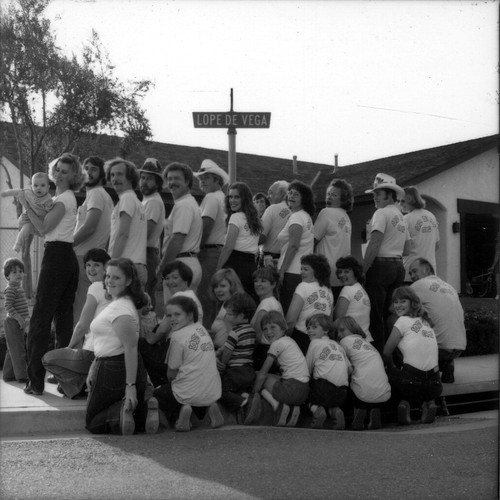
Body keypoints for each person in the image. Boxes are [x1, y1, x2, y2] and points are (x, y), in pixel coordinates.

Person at [22, 154, 82, 396]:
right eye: (57, 169)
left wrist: (26, 205)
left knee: (40, 320)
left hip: (57, 258)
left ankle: (35, 382)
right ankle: (64, 380)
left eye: (65, 171)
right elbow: (47, 231)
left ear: (75, 176)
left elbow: (44, 227)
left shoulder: (63, 199)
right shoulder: (60, 198)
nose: (59, 174)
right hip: (65, 255)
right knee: (64, 320)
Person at [86, 257, 158, 435]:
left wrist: (130, 386)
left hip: (113, 369)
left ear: (129, 281)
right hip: (115, 366)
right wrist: (93, 365)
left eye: (116, 277)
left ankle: (122, 414)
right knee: (131, 417)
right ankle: (142, 411)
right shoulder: (123, 304)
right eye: (108, 276)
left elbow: (131, 348)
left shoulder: (121, 309)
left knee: (93, 422)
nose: (109, 281)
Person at [42, 249, 111, 398]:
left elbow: (82, 326)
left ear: (106, 268)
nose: (91, 269)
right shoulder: (114, 289)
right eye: (88, 265)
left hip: (92, 354)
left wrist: (69, 348)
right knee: (62, 383)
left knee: (47, 359)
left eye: (96, 265)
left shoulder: (96, 287)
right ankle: (85, 383)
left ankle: (81, 386)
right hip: (110, 355)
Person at [153, 295, 223, 432]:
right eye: (168, 315)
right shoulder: (202, 330)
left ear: (190, 315)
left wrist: (168, 382)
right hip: (212, 390)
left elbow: (172, 371)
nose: (172, 319)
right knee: (192, 390)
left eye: (177, 314)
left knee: (161, 394)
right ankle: (209, 409)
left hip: (188, 392)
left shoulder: (177, 336)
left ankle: (182, 417)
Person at [363, 173, 409, 353]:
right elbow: (407, 249)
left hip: (381, 267)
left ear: (389, 195)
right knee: (392, 314)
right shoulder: (401, 216)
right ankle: (396, 355)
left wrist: (363, 270)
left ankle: (379, 357)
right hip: (398, 266)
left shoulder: (381, 213)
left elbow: (374, 243)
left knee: (376, 315)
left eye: (378, 193)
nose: (374, 197)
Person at [383, 287, 442, 425]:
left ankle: (405, 404)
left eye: (403, 301)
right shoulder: (426, 322)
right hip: (435, 384)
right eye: (395, 302)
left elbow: (386, 352)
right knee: (417, 378)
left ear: (413, 303)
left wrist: (391, 368)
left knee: (388, 374)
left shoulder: (402, 321)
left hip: (411, 383)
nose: (398, 305)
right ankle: (427, 403)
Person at [141, 260, 203, 387]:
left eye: (175, 277)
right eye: (167, 278)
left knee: (140, 344)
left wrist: (151, 338)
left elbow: (163, 329)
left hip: (179, 351)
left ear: (186, 278)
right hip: (192, 348)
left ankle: (160, 385)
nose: (170, 282)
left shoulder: (180, 297)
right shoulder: (192, 296)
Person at [244, 311, 310, 427]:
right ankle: (292, 407)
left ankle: (277, 406)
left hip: (290, 391)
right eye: (265, 329)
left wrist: (253, 393)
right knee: (276, 377)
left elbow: (262, 375)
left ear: (284, 328)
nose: (268, 332)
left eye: (273, 327)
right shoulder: (290, 341)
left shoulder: (276, 345)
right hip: (303, 392)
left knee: (258, 376)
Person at [409, 258, 466, 384]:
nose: (412, 276)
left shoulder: (418, 285)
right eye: (410, 274)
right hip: (459, 348)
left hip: (437, 349)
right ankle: (448, 366)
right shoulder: (449, 287)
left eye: (414, 271)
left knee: (397, 321)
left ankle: (417, 373)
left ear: (427, 269)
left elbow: (395, 307)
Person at [72, 156, 113, 324]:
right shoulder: (103, 196)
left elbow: (90, 226)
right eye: (85, 168)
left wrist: (67, 245)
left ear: (102, 174)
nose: (88, 171)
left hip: (86, 260)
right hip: (94, 259)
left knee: (81, 310)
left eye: (93, 169)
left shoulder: (96, 193)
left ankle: (78, 349)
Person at [334, 316, 391, 431]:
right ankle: (373, 409)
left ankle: (359, 411)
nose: (339, 335)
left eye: (342, 330)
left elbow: (342, 366)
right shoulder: (367, 343)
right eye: (337, 332)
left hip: (363, 395)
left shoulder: (344, 342)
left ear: (352, 328)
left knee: (345, 377)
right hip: (384, 394)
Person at [159, 162, 203, 302]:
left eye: (177, 178)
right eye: (169, 179)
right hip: (189, 263)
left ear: (187, 181)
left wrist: (161, 269)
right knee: (185, 314)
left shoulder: (183, 205)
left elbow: (177, 239)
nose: (172, 182)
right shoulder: (190, 203)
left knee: (175, 315)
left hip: (180, 266)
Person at [193, 159, 229, 329]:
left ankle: (205, 334)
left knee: (204, 297)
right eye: (201, 178)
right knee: (214, 298)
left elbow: (205, 226)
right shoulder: (223, 198)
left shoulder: (211, 198)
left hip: (208, 252)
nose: (202, 181)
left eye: (206, 177)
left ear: (217, 180)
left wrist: (196, 250)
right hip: (218, 252)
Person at [106, 157, 148, 286]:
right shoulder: (136, 201)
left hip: (125, 267)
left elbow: (123, 234)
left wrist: (112, 264)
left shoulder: (127, 199)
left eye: (119, 174)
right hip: (137, 265)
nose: (114, 179)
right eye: (112, 175)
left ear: (130, 177)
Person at [217, 182, 262, 298]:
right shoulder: (254, 219)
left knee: (231, 304)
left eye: (237, 197)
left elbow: (228, 247)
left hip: (235, 265)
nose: (232, 200)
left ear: (245, 199)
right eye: (230, 197)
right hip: (251, 266)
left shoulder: (236, 217)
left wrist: (217, 270)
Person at [305, 314, 349, 430]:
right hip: (342, 393)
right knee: (330, 401)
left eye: (314, 327)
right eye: (308, 328)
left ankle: (317, 410)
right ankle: (336, 411)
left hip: (323, 389)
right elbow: (350, 369)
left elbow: (306, 370)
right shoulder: (338, 346)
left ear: (326, 330)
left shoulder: (314, 343)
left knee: (306, 392)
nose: (309, 330)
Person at [277, 180, 315, 315]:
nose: (291, 196)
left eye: (296, 194)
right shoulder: (306, 217)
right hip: (302, 273)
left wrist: (282, 270)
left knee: (288, 311)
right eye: (290, 193)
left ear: (304, 199)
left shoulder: (297, 217)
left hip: (291, 274)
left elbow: (293, 246)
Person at [216, 292, 257, 420]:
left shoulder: (234, 332)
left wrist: (222, 364)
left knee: (220, 391)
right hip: (248, 370)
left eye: (229, 314)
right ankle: (245, 397)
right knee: (237, 390)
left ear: (240, 316)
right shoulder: (251, 330)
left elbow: (228, 351)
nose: (226, 317)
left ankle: (243, 404)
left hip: (235, 371)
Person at [285, 254, 334, 355]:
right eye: (301, 269)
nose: (301, 272)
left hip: (303, 339)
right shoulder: (329, 291)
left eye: (305, 269)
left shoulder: (303, 286)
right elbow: (330, 320)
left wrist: (285, 338)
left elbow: (290, 320)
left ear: (316, 271)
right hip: (323, 341)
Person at [314, 178, 353, 300]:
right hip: (341, 274)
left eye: (334, 195)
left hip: (325, 274)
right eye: (328, 194)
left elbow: (312, 240)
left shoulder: (326, 212)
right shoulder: (346, 218)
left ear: (343, 199)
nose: (329, 197)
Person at [1, 172, 53, 253]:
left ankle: (49, 244)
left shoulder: (48, 199)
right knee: (26, 229)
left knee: (47, 234)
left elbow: (50, 211)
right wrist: (5, 193)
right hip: (28, 220)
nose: (39, 188)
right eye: (35, 185)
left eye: (42, 185)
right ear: (31, 186)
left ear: (48, 187)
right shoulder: (28, 193)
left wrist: (49, 206)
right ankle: (18, 245)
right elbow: (16, 192)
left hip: (40, 222)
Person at [139, 158, 166, 311]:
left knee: (145, 298)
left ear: (157, 182)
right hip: (144, 253)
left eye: (149, 179)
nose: (144, 182)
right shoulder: (146, 201)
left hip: (147, 254)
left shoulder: (153, 202)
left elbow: (144, 233)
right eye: (142, 178)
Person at [402, 186, 439, 282]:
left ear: (409, 199)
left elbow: (404, 248)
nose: (400, 204)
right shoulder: (432, 216)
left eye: (402, 201)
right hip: (429, 271)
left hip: (411, 273)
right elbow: (436, 246)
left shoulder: (406, 219)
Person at [251, 266, 284, 370]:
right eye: (256, 281)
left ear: (273, 284)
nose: (258, 284)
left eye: (263, 281)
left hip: (264, 353)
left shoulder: (266, 304)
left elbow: (257, 334)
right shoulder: (275, 302)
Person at [333, 256, 373, 343]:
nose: (342, 275)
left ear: (355, 272)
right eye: (340, 272)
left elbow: (338, 320)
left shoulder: (347, 290)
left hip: (351, 342)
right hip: (366, 340)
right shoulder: (361, 290)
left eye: (346, 271)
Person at [2, 258, 29, 382]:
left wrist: (26, 318)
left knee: (12, 348)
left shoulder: (18, 287)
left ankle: (8, 375)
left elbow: (21, 306)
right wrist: (19, 319)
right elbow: (8, 306)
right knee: (18, 349)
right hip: (13, 322)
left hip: (18, 322)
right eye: (14, 272)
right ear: (7, 276)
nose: (18, 274)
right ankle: (22, 376)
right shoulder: (11, 289)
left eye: (20, 271)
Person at [208, 268, 245, 350]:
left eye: (223, 286)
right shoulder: (226, 303)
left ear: (232, 286)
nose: (218, 290)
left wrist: (219, 355)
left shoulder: (231, 307)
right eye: (216, 287)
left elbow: (233, 339)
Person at [260, 180, 291, 268]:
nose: (268, 197)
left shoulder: (272, 209)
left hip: (269, 260)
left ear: (281, 193)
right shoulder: (296, 211)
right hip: (289, 261)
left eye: (271, 193)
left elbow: (261, 237)